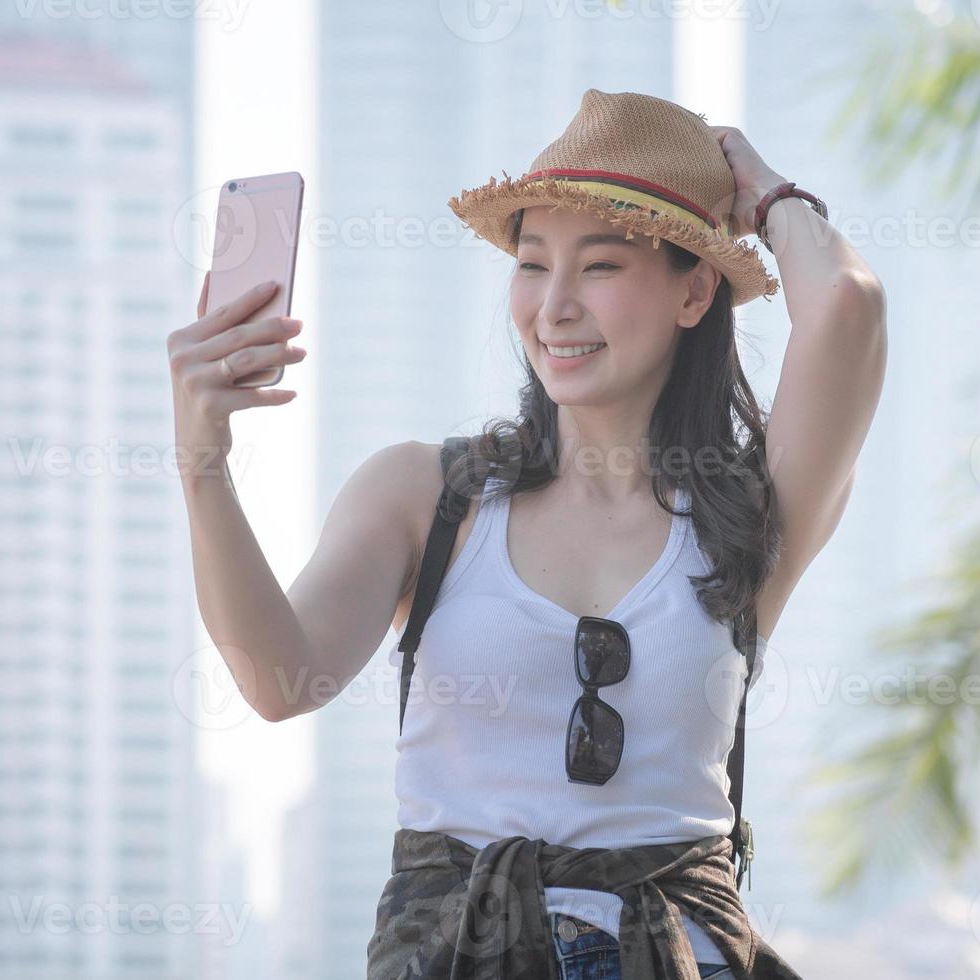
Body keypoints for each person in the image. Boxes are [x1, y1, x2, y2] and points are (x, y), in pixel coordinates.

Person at [168, 89, 886, 979]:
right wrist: (202, 463)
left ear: (695, 290)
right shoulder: (428, 495)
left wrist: (766, 193)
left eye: (601, 267)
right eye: (533, 264)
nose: (554, 307)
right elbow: (277, 681)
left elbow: (848, 304)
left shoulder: (747, 511)